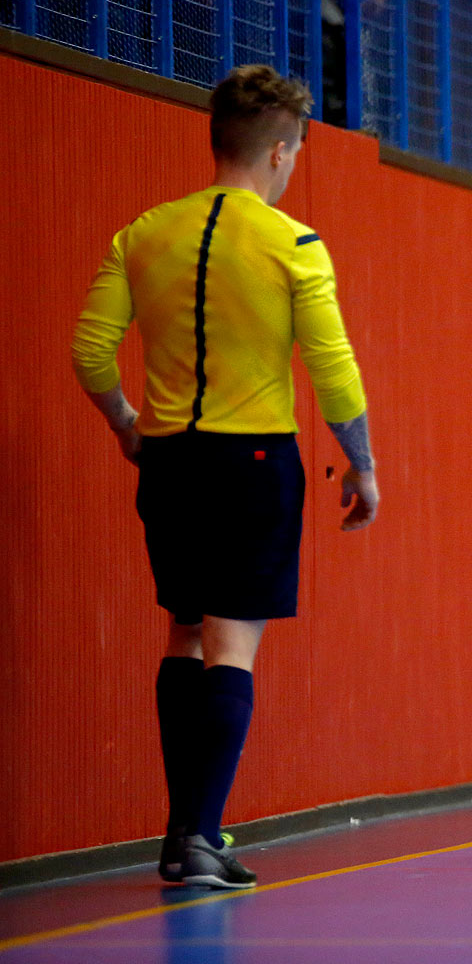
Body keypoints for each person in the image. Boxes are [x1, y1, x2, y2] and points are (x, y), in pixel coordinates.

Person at [71, 64, 380, 889]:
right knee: (231, 646)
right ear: (281, 151)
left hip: (169, 459)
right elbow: (333, 365)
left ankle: (184, 834)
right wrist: (364, 462)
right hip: (250, 463)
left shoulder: (142, 233)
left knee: (183, 630)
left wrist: (130, 426)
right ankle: (200, 838)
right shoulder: (294, 245)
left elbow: (90, 351)